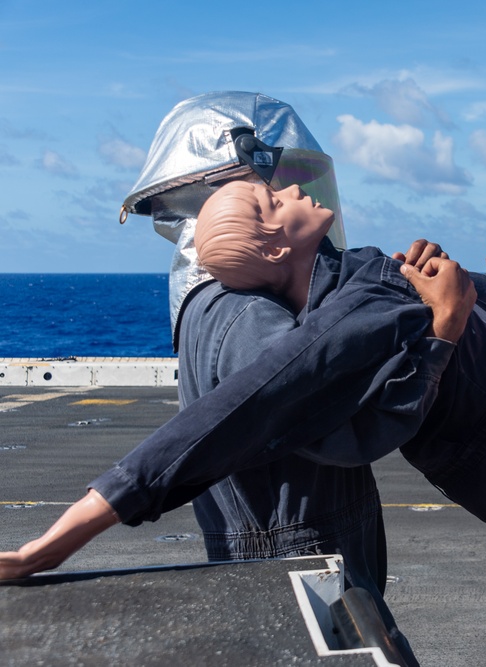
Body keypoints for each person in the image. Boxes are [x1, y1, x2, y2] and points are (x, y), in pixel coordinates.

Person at [0, 180, 486, 590]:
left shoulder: (376, 268)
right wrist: (51, 544)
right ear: (274, 248)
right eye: (273, 202)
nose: (293, 190)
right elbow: (207, 428)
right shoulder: (340, 324)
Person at [120, 91, 429, 663]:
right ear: (229, 181)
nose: (297, 194)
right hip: (303, 565)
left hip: (296, 552)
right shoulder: (243, 309)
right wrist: (436, 343)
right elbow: (329, 430)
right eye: (278, 183)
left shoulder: (213, 293)